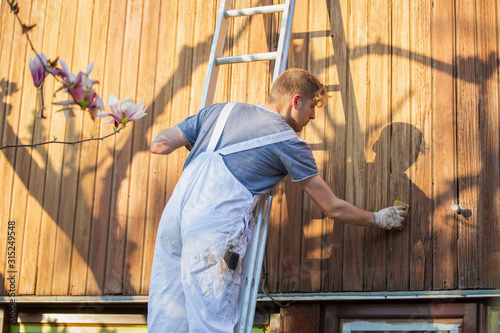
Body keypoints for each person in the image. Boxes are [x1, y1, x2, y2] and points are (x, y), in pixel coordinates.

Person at [148, 68, 407, 332]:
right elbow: (333, 208)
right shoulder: (288, 142)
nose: (313, 115)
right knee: (211, 322)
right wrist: (377, 218)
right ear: (295, 101)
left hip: (173, 221)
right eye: (312, 107)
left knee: (167, 315)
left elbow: (159, 145)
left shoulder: (219, 111)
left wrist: (204, 142)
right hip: (212, 232)